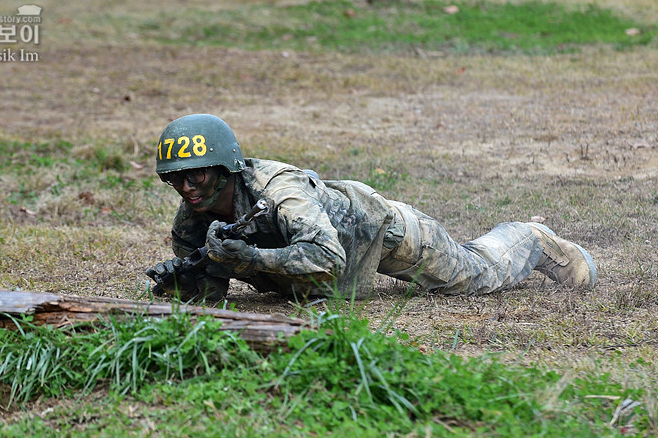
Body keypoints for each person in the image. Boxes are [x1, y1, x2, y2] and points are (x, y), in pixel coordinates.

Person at [145, 114, 597, 302]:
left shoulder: (279, 190)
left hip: (382, 231)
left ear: (227, 168)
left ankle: (531, 239)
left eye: (197, 174)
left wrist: (251, 258)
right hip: (339, 266)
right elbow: (209, 298)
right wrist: (181, 282)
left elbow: (325, 258)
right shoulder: (193, 221)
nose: (186, 187)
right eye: (174, 177)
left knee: (479, 276)